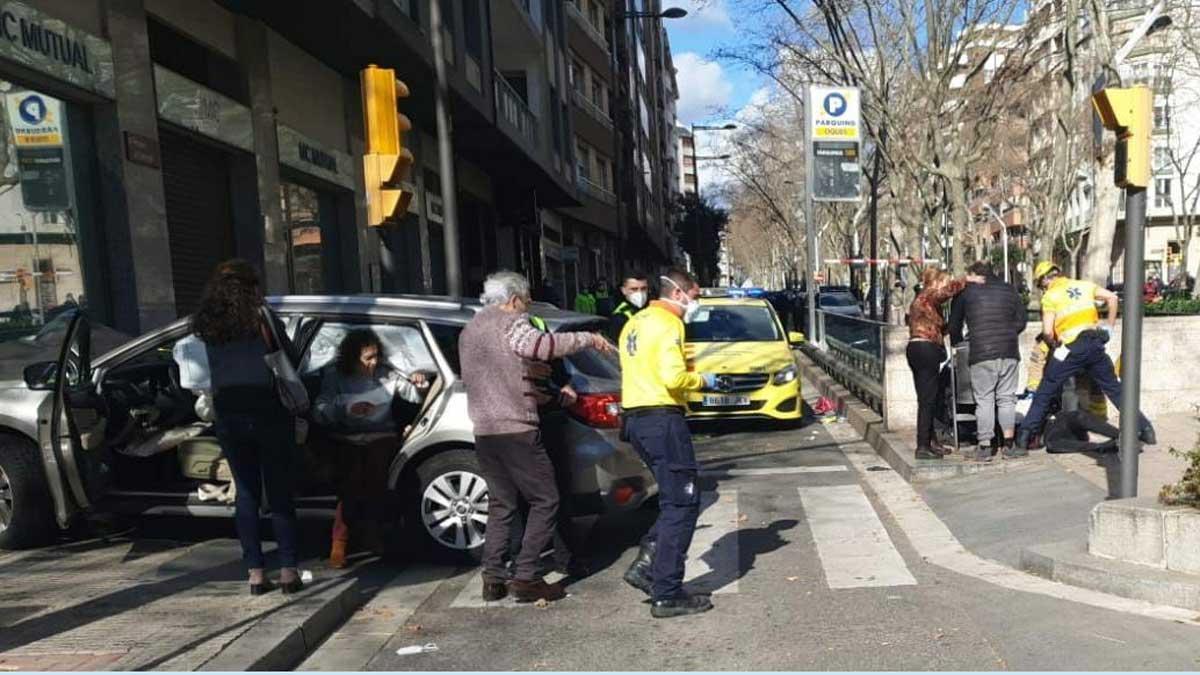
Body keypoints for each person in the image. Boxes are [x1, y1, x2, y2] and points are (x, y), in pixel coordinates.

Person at [459, 271, 612, 604]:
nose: (526, 309)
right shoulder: (511, 322)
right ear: (514, 299)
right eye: (525, 302)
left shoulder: (470, 330)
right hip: (517, 429)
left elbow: (494, 373)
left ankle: (493, 577)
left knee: (502, 504)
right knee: (546, 499)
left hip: (485, 430)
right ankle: (526, 576)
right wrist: (588, 339)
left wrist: (526, 377)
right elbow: (542, 345)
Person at [192, 259, 302, 595]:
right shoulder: (261, 317)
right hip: (268, 410)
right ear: (251, 286)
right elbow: (290, 356)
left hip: (229, 413)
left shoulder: (207, 322)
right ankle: (288, 571)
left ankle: (255, 573)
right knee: (279, 491)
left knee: (247, 492)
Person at [619, 269, 718, 619]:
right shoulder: (668, 323)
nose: (697, 302)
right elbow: (673, 377)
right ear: (679, 293)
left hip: (636, 419)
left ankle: (649, 562)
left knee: (672, 498)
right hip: (661, 418)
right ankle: (666, 590)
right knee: (683, 503)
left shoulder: (635, 322)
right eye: (696, 294)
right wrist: (703, 380)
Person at [313, 330, 431, 569]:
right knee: (351, 480)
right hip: (346, 436)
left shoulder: (386, 374)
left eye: (376, 356)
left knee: (376, 477)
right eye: (367, 358)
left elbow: (412, 393)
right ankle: (341, 541)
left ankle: (370, 533)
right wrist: (346, 409)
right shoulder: (335, 377)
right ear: (352, 358)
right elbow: (320, 409)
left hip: (381, 435)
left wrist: (419, 383)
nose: (373, 362)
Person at [1014, 261, 1157, 452]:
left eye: (1042, 285)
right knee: (1115, 389)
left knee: (1045, 391)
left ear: (1046, 279)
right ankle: (1146, 429)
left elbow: (1047, 332)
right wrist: (1109, 327)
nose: (1043, 288)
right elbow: (1112, 298)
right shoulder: (1083, 285)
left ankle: (1023, 439)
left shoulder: (1050, 296)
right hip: (1095, 344)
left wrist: (1054, 346)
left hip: (1070, 348)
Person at [948, 261, 1027, 461]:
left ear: (973, 274)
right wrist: (1008, 334)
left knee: (984, 400)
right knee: (1007, 398)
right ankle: (1009, 445)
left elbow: (954, 325)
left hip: (981, 352)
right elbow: (1021, 321)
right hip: (1009, 351)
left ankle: (984, 447)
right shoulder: (1009, 290)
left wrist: (959, 342)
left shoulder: (966, 293)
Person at [906, 267, 982, 460]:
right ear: (936, 282)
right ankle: (922, 446)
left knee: (928, 398)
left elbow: (939, 328)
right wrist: (967, 280)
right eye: (944, 281)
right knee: (927, 400)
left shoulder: (924, 302)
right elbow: (944, 293)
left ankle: (931, 442)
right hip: (925, 349)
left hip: (918, 349)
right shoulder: (928, 296)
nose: (946, 286)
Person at [608, 273, 649, 341]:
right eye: (634, 289)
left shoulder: (650, 308)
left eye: (643, 288)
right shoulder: (620, 316)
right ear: (623, 291)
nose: (640, 293)